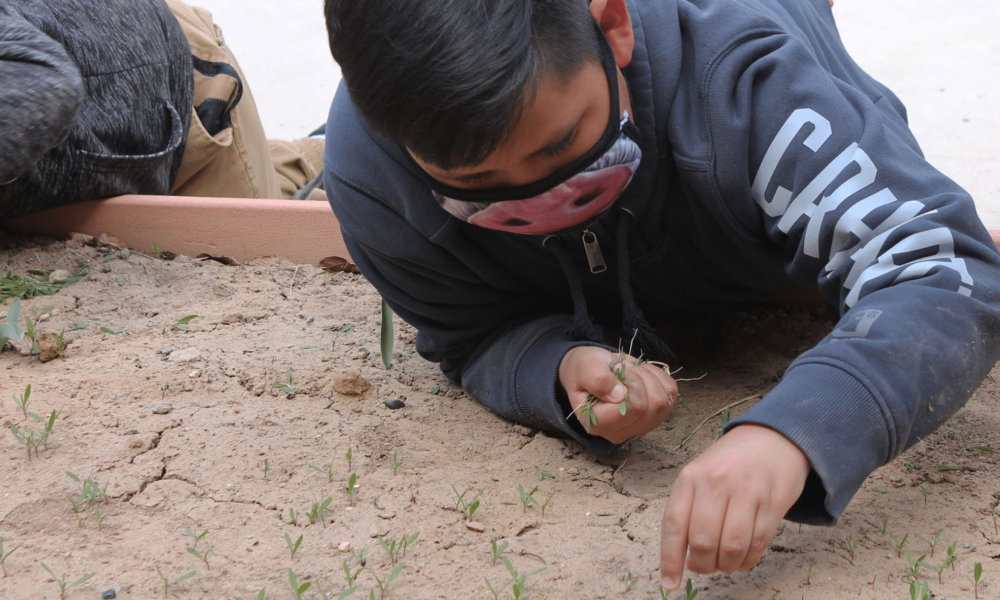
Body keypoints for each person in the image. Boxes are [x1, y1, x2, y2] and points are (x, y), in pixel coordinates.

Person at [320, 0, 1000, 590]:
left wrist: (793, 433)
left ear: (613, 28)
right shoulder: (372, 175)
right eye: (480, 184)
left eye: (563, 147)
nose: (543, 203)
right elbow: (467, 337)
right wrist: (551, 365)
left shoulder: (746, 86)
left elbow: (942, 265)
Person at [0, 0, 325, 223]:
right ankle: (317, 148)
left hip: (171, 79)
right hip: (96, 112)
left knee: (257, 233)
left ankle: (351, 154)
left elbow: (49, 87)